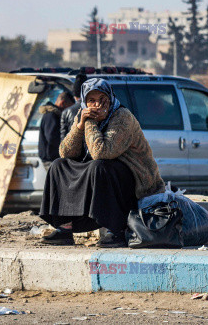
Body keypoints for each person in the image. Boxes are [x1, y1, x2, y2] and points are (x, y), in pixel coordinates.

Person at [40, 78, 165, 248]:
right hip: (104, 172)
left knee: (99, 166)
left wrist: (90, 123)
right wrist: (79, 126)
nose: (97, 105)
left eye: (102, 100)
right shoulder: (82, 114)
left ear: (110, 98)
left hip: (136, 180)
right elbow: (66, 152)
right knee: (58, 166)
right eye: (91, 100)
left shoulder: (122, 116)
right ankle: (64, 227)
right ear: (84, 101)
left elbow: (102, 152)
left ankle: (115, 230)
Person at [38, 91, 74, 170]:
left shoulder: (54, 114)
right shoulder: (51, 115)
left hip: (53, 159)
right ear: (62, 103)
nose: (68, 111)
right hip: (51, 159)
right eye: (68, 108)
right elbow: (52, 137)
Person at [60, 73, 88, 142]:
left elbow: (63, 140)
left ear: (75, 95)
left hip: (73, 150)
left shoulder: (66, 112)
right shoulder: (97, 109)